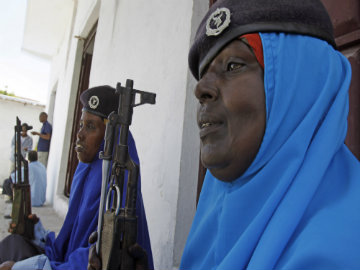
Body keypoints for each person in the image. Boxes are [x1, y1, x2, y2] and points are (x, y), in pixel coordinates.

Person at [180, 0, 360, 269]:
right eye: (204, 74)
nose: (201, 89)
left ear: (300, 85)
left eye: (233, 66)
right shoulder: (214, 210)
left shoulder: (339, 250)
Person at [0, 86, 153, 270]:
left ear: (110, 139)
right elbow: (71, 244)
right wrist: (38, 233)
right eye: (81, 125)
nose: (79, 134)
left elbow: (97, 259)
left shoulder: (117, 183)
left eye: (90, 127)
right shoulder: (86, 173)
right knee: (15, 243)